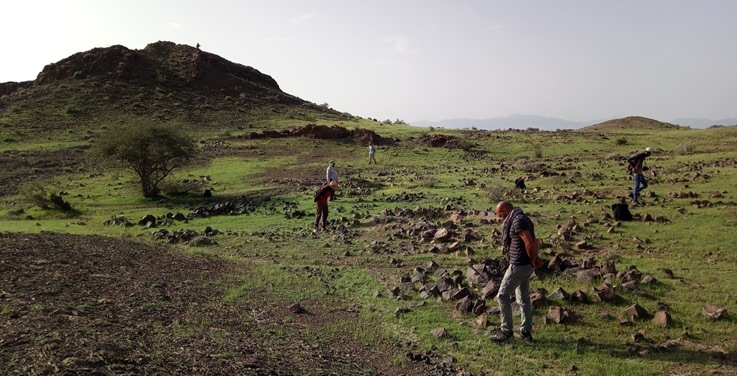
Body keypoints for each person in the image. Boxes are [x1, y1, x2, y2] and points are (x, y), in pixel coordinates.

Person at [491, 201, 543, 343]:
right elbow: (534, 241)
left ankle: (506, 332)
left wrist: (532, 259)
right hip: (525, 265)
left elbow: (530, 243)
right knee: (523, 299)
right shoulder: (520, 217)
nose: (500, 219)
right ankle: (525, 332)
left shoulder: (517, 221)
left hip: (519, 265)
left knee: (502, 295)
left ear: (506, 210)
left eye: (501, 215)